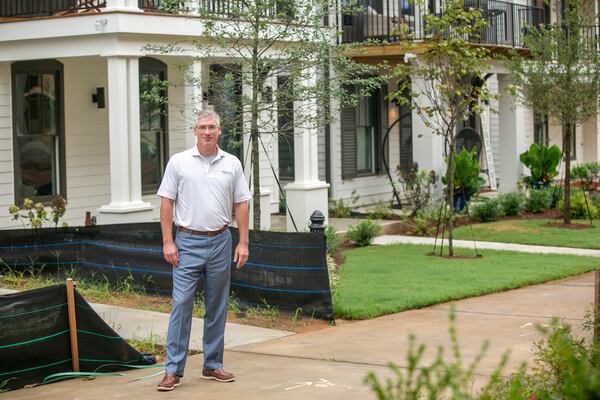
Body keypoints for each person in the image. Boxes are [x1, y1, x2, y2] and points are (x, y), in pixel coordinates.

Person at [156, 110, 251, 392]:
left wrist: (243, 242)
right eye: (202, 127)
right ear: (194, 131)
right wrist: (167, 241)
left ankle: (212, 364)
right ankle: (172, 370)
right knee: (181, 304)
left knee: (217, 305)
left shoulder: (231, 164)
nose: (207, 132)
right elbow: (166, 203)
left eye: (212, 127)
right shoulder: (179, 162)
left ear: (219, 131)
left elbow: (242, 204)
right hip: (186, 242)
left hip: (221, 241)